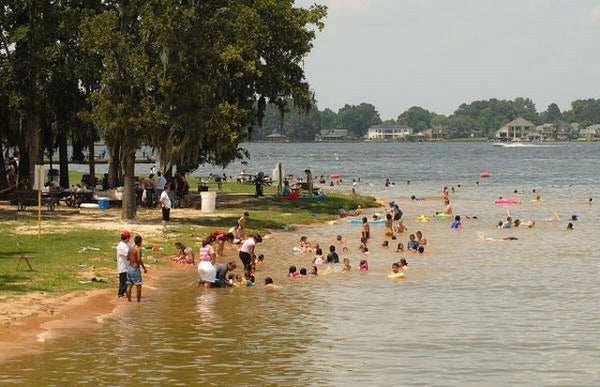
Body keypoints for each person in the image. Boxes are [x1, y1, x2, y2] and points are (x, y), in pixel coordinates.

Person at [126, 235, 147, 302]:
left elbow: (127, 258)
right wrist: (144, 268)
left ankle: (129, 301)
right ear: (140, 241)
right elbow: (138, 259)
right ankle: (138, 302)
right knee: (138, 286)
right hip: (135, 268)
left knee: (129, 285)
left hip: (129, 268)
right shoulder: (138, 249)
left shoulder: (131, 248)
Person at [117, 231, 131, 298]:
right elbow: (128, 255)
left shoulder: (127, 244)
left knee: (127, 280)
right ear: (127, 238)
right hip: (123, 266)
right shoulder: (122, 246)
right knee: (123, 281)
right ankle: (120, 294)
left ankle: (125, 292)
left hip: (127, 266)